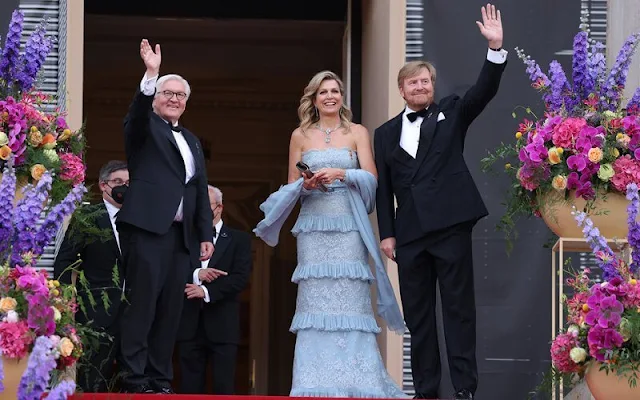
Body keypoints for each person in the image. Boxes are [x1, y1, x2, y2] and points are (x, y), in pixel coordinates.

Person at [373, 4, 506, 400]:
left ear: (433, 85)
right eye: (412, 83)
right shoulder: (384, 133)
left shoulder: (452, 111)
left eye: (425, 81)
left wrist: (495, 49)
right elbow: (384, 189)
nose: (420, 87)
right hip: (411, 235)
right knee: (419, 318)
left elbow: (483, 91)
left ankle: (464, 389)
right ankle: (426, 391)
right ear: (402, 90)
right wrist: (388, 235)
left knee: (458, 311)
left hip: (449, 226)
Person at [254, 71, 406, 398]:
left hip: (348, 225)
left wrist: (343, 172)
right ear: (313, 98)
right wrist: (305, 184)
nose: (329, 96)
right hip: (313, 227)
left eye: (335, 90)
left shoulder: (357, 133)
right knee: (314, 301)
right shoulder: (299, 135)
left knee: (350, 299)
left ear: (341, 96)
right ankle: (312, 384)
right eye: (323, 91)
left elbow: (372, 179)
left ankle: (359, 382)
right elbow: (289, 187)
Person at [115, 39, 214, 394]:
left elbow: (199, 188)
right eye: (167, 93)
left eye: (180, 95)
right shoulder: (144, 128)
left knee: (171, 312)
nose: (174, 99)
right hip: (147, 230)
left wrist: (205, 233)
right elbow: (137, 114)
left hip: (181, 236)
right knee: (142, 305)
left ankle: (159, 379)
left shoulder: (192, 139)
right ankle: (133, 378)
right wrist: (151, 74)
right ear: (156, 98)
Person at [53, 160, 128, 392]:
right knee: (93, 382)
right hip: (96, 314)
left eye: (128, 182)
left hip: (135, 315)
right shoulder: (87, 216)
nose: (125, 187)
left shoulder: (140, 218)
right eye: (118, 182)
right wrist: (68, 305)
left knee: (132, 385)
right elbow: (64, 262)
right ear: (104, 185)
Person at [177, 185, 252, 394]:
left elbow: (240, 278)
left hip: (223, 325)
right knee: (189, 388)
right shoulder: (182, 238)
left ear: (219, 207)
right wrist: (195, 275)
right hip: (188, 324)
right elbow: (168, 272)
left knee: (223, 387)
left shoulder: (239, 240)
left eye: (204, 205)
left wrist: (206, 292)